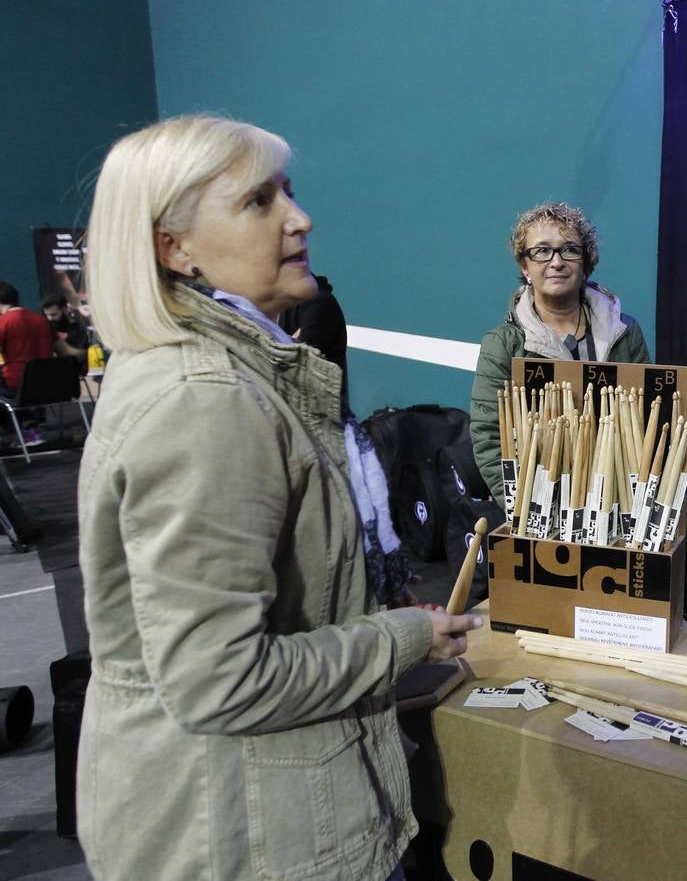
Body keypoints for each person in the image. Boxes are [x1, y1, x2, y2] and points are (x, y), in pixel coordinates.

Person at [78, 115, 479, 880]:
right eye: (260, 202)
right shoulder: (206, 400)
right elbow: (220, 678)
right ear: (175, 248)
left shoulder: (230, 375)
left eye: (288, 193)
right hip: (249, 836)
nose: (300, 218)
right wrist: (398, 639)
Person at [470, 201, 650, 505]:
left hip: (617, 501)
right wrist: (523, 509)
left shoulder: (625, 333)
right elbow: (489, 438)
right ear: (524, 267)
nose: (556, 262)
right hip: (537, 505)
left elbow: (647, 423)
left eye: (569, 249)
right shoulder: (503, 344)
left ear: (585, 263)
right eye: (541, 251)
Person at [278, 272, 349, 411]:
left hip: (319, 414)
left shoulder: (319, 302)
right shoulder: (279, 305)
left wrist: (285, 345)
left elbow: (289, 362)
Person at [0, 280, 57, 446]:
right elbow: (65, 351)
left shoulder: (4, 322)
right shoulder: (41, 320)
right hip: (48, 387)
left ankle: (25, 429)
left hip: (16, 388)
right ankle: (32, 425)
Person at [42, 293, 91, 357]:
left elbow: (83, 355)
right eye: (47, 315)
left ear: (64, 310)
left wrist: (61, 346)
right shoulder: (47, 328)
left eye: (54, 314)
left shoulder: (78, 330)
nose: (49, 318)